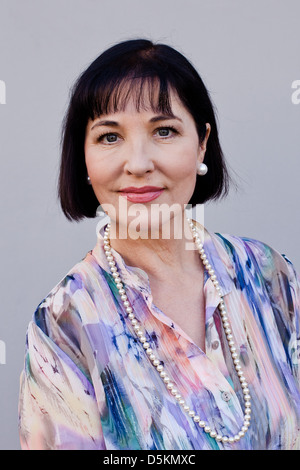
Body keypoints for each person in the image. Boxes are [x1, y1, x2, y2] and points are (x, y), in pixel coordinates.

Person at [18, 38, 300, 450]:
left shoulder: (269, 276)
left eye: (164, 131)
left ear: (202, 142)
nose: (138, 163)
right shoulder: (65, 325)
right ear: (83, 157)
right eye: (109, 137)